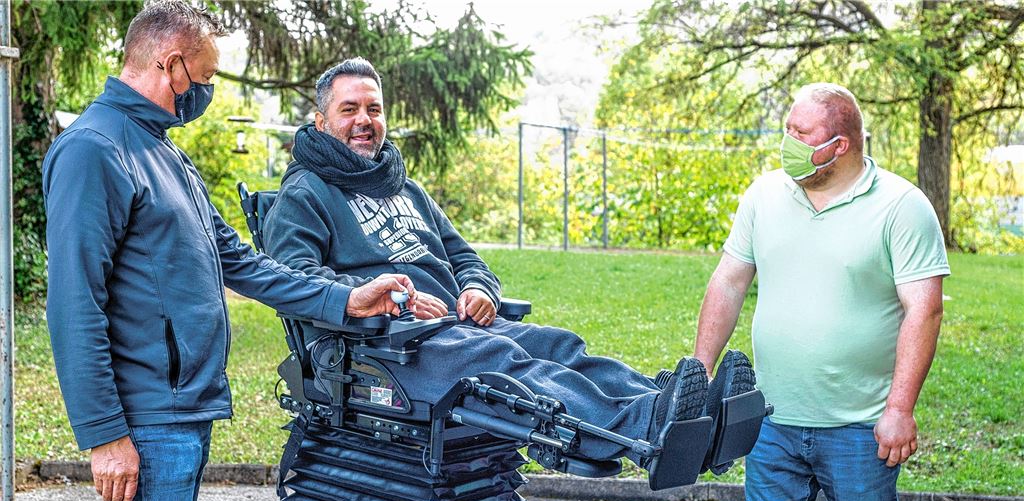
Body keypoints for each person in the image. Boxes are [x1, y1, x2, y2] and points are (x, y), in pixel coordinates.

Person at [41, 4, 428, 501]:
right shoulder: (94, 150)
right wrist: (103, 435)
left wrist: (347, 298)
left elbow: (241, 262)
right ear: (171, 66)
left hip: (183, 408)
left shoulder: (163, 153)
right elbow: (73, 303)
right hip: (147, 418)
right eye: (206, 75)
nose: (209, 90)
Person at [261, 57, 743, 471]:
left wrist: (478, 289)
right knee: (505, 365)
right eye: (349, 109)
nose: (364, 120)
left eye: (374, 108)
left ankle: (677, 410)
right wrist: (389, 300)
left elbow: (465, 256)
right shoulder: (305, 193)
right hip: (385, 352)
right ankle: (649, 431)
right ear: (321, 122)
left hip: (456, 327)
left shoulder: (404, 187)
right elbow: (294, 281)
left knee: (555, 345)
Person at [693, 83, 949, 501]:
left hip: (860, 425)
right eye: (787, 129)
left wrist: (900, 409)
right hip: (771, 417)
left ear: (839, 145)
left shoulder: (902, 206)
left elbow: (924, 309)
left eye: (800, 134)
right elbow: (728, 283)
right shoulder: (764, 195)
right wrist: (698, 370)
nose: (787, 142)